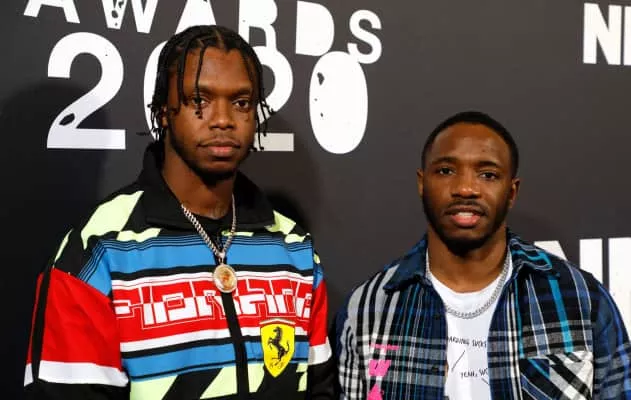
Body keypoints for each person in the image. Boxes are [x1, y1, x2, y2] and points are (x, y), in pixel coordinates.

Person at [24, 25, 334, 399]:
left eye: (241, 103)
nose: (223, 119)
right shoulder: (99, 249)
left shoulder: (294, 249)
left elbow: (320, 389)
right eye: (198, 100)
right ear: (162, 112)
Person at [335, 111, 631, 399]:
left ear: (511, 192)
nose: (465, 189)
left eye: (488, 175)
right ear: (422, 184)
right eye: (446, 171)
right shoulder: (367, 310)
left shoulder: (580, 299)